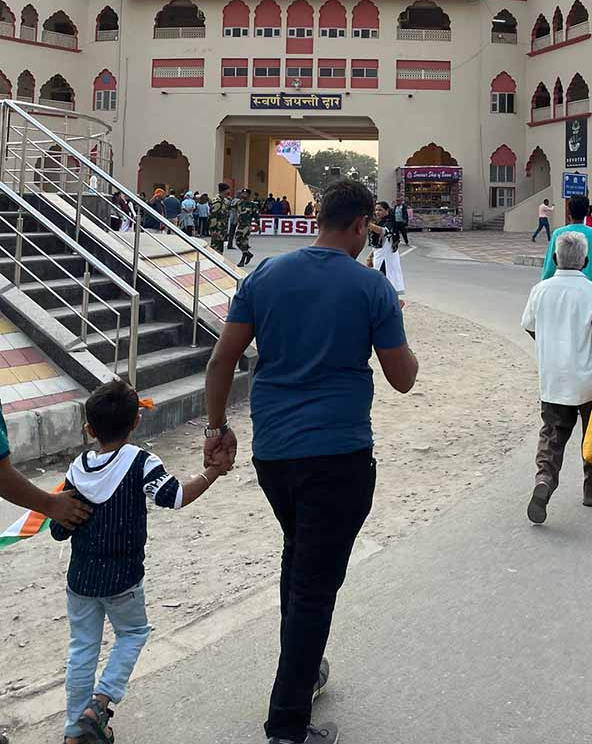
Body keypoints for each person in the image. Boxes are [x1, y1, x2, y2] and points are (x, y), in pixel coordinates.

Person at [203, 179, 419, 744]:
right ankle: (287, 725)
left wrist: (216, 428)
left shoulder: (265, 275)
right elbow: (403, 378)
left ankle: (304, 669)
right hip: (340, 454)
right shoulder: (370, 286)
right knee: (315, 586)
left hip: (274, 453)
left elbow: (222, 360)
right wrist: (398, 327)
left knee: (300, 560)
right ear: (361, 224)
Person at [51, 379, 223, 744]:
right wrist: (213, 472)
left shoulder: (77, 468)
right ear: (136, 422)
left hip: (80, 580)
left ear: (89, 429)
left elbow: (58, 530)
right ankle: (100, 704)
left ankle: (73, 732)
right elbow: (174, 496)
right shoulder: (141, 461)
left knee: (82, 649)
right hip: (124, 580)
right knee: (133, 634)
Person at [521, 230, 592, 524]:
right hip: (588, 381)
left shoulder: (541, 290)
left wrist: (549, 343)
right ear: (586, 260)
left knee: (552, 434)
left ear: (554, 258)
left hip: (553, 379)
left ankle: (545, 480)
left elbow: (530, 326)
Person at [0, 400, 90, 526]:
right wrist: (50, 504)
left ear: (89, 430)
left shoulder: (79, 470)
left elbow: (59, 532)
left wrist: (50, 505)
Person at [542, 194, 592, 283]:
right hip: (588, 283)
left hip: (562, 283)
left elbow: (550, 265)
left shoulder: (558, 233)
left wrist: (544, 283)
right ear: (588, 211)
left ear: (568, 211)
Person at [368, 201, 405, 297]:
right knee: (380, 282)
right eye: (376, 210)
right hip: (379, 256)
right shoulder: (379, 222)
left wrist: (368, 225)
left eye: (380, 210)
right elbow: (377, 244)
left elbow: (384, 232)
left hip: (386, 259)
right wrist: (370, 256)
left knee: (385, 282)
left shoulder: (390, 222)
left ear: (387, 210)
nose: (377, 212)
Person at [234, 187, 261, 268]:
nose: (243, 194)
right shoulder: (238, 203)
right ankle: (248, 254)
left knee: (244, 242)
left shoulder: (252, 205)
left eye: (245, 193)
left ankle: (242, 260)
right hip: (240, 225)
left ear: (248, 195)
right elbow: (231, 207)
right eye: (242, 193)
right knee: (238, 242)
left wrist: (258, 225)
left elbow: (256, 216)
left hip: (246, 226)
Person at [208, 184, 233, 255]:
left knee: (220, 248)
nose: (228, 193)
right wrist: (213, 230)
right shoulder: (217, 201)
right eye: (227, 191)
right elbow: (213, 216)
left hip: (221, 229)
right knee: (215, 249)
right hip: (217, 230)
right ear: (223, 191)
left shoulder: (223, 201)